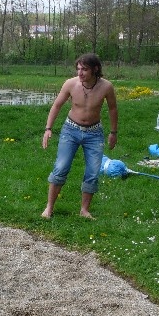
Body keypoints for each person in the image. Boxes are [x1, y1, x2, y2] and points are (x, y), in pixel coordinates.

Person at [41, 53, 119, 219]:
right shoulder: (71, 84)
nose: (80, 73)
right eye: (78, 69)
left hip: (94, 133)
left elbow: (113, 108)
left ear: (95, 69)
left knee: (93, 171)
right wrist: (48, 128)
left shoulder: (106, 87)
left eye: (84, 69)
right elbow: (57, 105)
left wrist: (113, 132)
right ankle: (49, 208)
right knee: (61, 167)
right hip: (71, 129)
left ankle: (84, 210)